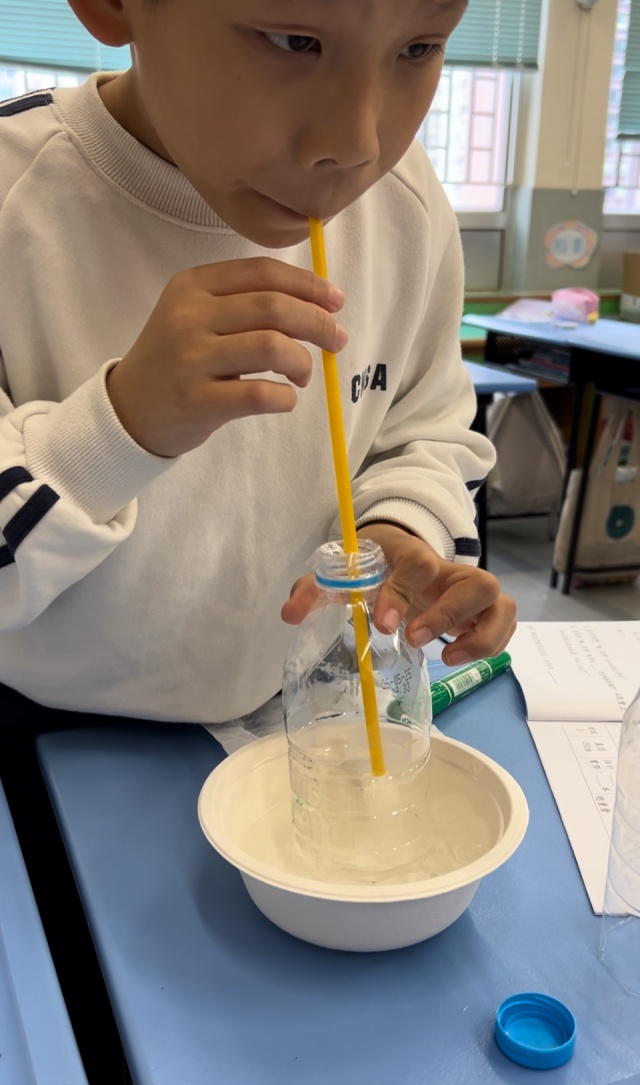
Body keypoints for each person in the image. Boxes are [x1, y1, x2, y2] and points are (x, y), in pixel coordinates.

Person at [0, 0, 515, 743]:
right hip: (44, 736)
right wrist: (121, 426)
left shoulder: (406, 207)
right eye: (293, 41)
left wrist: (400, 529)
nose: (357, 145)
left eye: (418, 50)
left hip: (294, 713)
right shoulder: (16, 199)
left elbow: (424, 430)